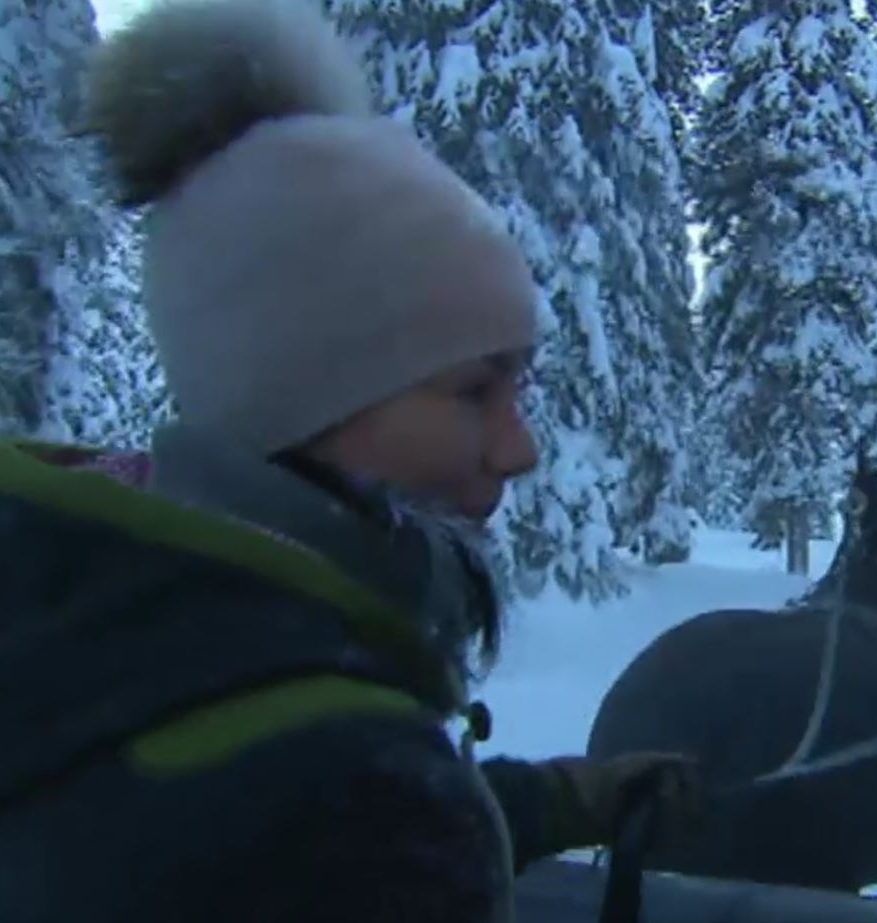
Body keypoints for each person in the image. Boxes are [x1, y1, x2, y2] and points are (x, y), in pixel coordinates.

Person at [0, 1, 699, 920]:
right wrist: (424, 804)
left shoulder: (118, 649)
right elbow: (349, 821)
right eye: (470, 391)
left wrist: (561, 799)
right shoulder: (358, 796)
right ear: (302, 400)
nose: (521, 448)